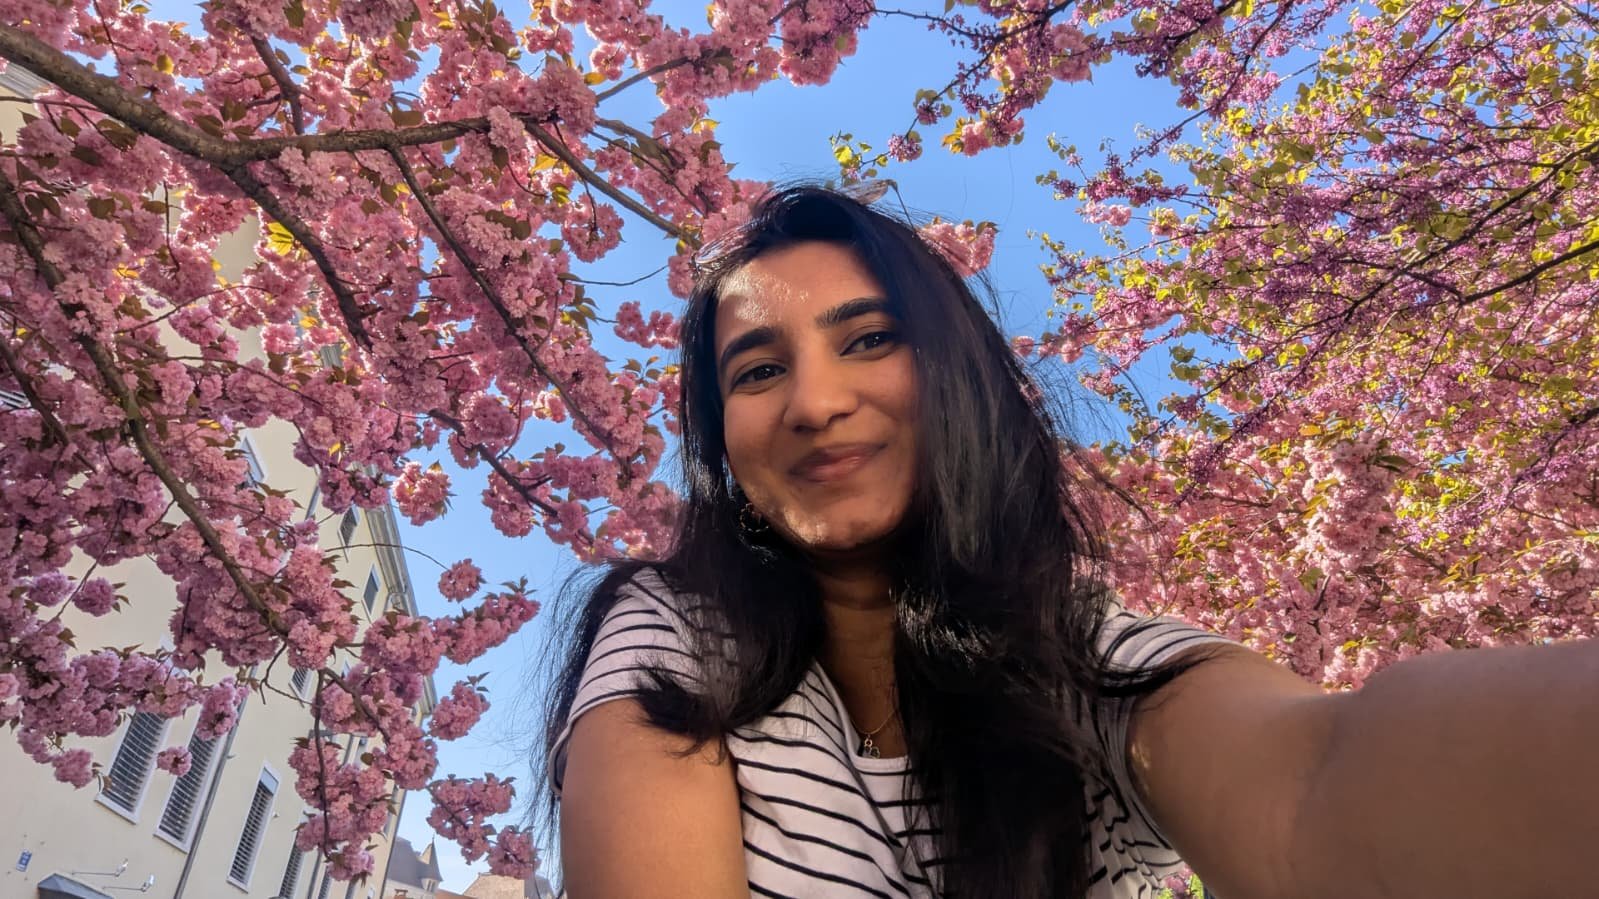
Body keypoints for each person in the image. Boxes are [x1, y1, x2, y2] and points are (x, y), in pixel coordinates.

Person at [537, 186, 1596, 898]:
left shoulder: (1080, 651)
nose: (814, 402)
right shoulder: (675, 632)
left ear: (959, 377)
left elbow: (1313, 783)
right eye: (759, 370)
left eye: (870, 338)